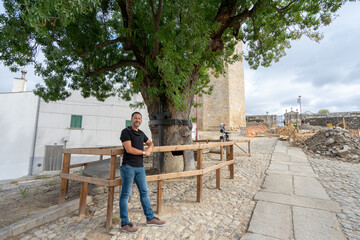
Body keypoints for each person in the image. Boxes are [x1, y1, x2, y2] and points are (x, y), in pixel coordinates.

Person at [119, 112, 166, 232]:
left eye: (139, 118)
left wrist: (149, 149)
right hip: (128, 167)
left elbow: (151, 143)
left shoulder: (141, 133)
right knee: (125, 195)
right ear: (131, 119)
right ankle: (125, 223)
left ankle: (150, 218)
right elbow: (129, 149)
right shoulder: (126, 132)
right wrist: (144, 153)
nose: (137, 120)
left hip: (140, 168)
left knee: (144, 192)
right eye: (135, 118)